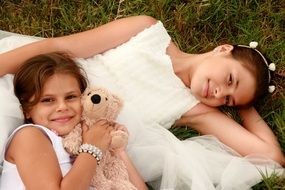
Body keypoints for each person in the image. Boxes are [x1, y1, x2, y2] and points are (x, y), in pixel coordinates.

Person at [0, 15, 284, 189]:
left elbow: (271, 157)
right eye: (230, 79)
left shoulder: (196, 110)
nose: (219, 93)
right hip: (49, 88)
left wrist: (247, 107)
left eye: (229, 99)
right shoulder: (147, 31)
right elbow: (62, 48)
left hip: (78, 146)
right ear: (222, 49)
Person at [0, 52, 148, 190]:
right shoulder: (29, 136)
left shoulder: (84, 139)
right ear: (26, 110)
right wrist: (92, 149)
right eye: (47, 100)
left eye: (70, 97)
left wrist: (118, 151)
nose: (62, 107)